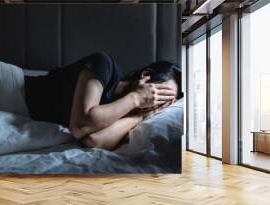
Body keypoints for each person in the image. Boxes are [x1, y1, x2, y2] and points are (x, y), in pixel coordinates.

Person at [24, 52, 181, 149]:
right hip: (10, 89)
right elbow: (80, 124)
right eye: (160, 93)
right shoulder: (104, 64)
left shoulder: (129, 111)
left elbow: (92, 141)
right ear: (145, 76)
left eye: (163, 103)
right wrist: (136, 97)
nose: (155, 101)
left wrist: (138, 116)